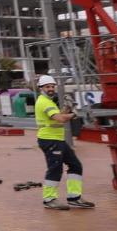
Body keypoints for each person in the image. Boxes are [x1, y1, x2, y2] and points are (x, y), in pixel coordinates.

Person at [34, 74, 94, 210]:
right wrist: (74, 114)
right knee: (55, 169)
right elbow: (60, 119)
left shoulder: (49, 102)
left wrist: (67, 108)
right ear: (41, 88)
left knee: (75, 165)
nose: (51, 89)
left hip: (57, 139)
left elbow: (58, 116)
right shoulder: (44, 102)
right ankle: (49, 199)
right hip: (50, 140)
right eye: (47, 87)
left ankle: (74, 197)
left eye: (52, 86)